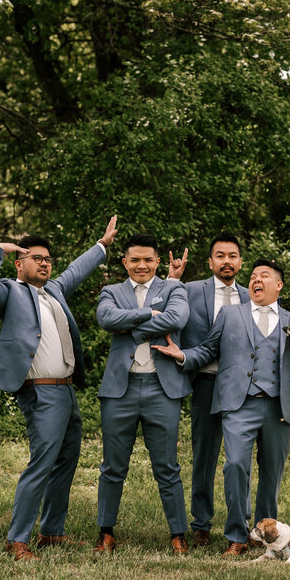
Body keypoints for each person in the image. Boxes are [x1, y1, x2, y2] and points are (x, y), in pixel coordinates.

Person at [0, 216, 117, 562]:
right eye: (36, 258)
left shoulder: (54, 290)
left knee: (66, 460)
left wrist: (102, 246)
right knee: (42, 462)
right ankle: (17, 540)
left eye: (48, 259)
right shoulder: (9, 292)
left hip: (66, 390)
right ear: (19, 264)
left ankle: (52, 532)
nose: (44, 263)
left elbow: (76, 271)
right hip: (40, 392)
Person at [152, 259, 290, 556]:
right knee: (235, 465)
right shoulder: (229, 314)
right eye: (253, 276)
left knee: (272, 473)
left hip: (278, 407)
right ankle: (237, 535)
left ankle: (265, 534)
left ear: (278, 285)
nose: (256, 280)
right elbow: (208, 349)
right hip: (238, 405)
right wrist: (183, 355)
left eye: (264, 276)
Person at [95, 234, 192, 554]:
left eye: (148, 259)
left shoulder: (173, 288)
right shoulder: (111, 291)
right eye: (135, 259)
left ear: (157, 262)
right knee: (112, 466)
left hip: (161, 388)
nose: (141, 265)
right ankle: (105, 532)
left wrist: (131, 327)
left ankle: (178, 534)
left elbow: (178, 318)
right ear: (124, 262)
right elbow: (106, 318)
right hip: (119, 390)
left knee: (167, 466)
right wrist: (151, 314)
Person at [174, 233, 249, 547]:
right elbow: (164, 311)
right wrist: (172, 280)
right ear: (210, 262)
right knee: (203, 456)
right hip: (205, 382)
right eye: (220, 255)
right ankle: (201, 524)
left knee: (239, 459)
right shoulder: (190, 290)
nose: (226, 261)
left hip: (242, 388)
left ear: (240, 261)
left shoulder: (252, 296)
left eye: (232, 255)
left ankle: (242, 523)